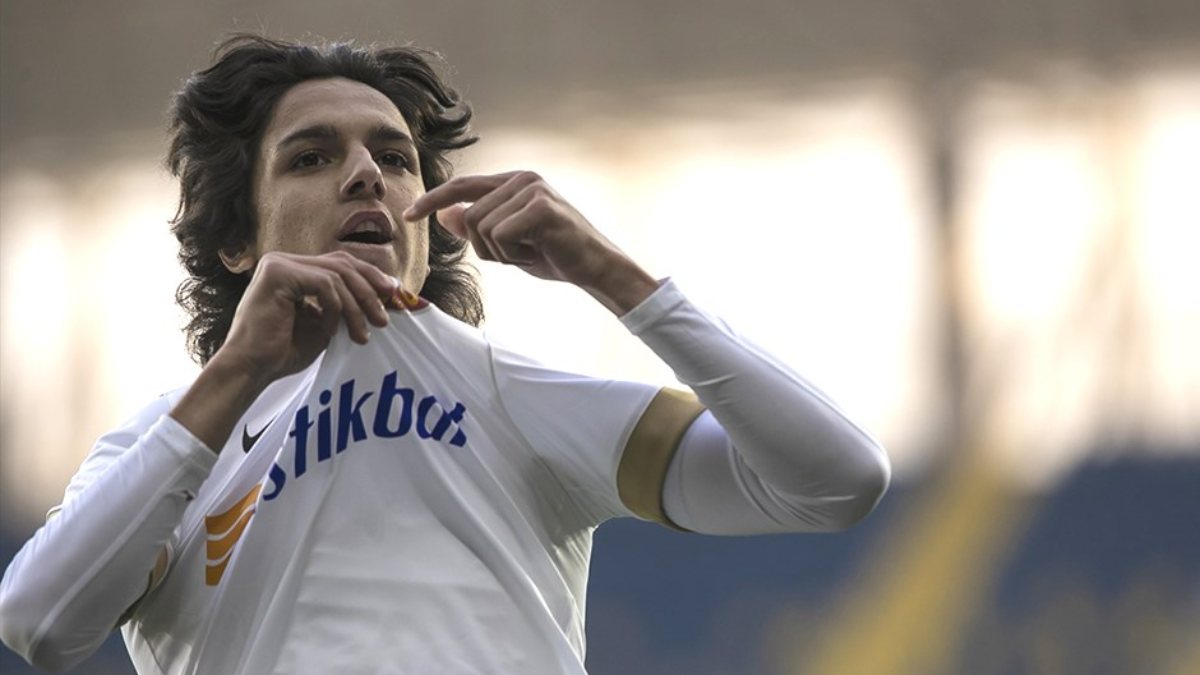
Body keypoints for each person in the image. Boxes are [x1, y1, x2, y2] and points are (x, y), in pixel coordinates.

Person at [0, 34, 890, 674]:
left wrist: (612, 273)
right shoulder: (166, 443)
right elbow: (40, 623)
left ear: (427, 220)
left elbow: (835, 480)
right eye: (311, 158)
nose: (366, 174)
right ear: (237, 242)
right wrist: (236, 371)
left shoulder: (508, 392)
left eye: (395, 158)